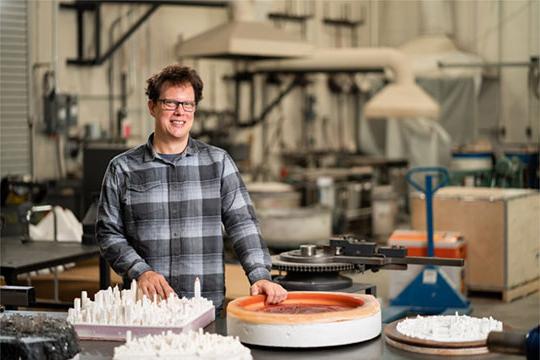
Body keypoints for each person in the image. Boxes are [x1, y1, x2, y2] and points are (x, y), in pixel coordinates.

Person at [96, 64, 287, 312]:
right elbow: (108, 233)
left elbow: (243, 224)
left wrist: (259, 275)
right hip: (146, 309)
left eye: (188, 104)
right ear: (152, 106)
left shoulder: (218, 163)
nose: (180, 112)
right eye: (170, 103)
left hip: (205, 306)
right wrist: (141, 271)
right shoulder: (123, 168)